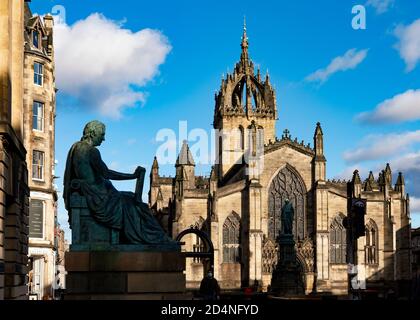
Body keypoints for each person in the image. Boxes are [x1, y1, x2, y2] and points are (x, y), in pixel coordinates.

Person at [63, 120, 174, 244]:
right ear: (93, 133)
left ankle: (156, 237)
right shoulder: (90, 151)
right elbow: (107, 173)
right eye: (102, 134)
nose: (103, 138)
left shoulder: (76, 147)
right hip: (98, 196)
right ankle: (154, 238)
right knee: (135, 204)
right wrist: (133, 176)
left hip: (94, 192)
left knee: (131, 198)